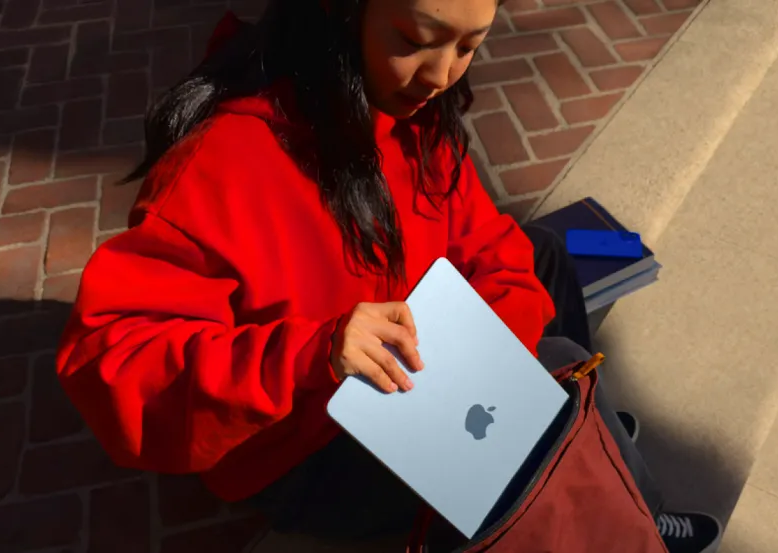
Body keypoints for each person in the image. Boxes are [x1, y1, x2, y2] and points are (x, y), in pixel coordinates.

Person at [54, 1, 721, 552]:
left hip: (405, 374)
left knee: (543, 264)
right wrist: (312, 352)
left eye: (468, 46)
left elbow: (492, 243)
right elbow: (112, 361)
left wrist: (491, 365)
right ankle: (608, 504)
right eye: (414, 40)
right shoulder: (221, 165)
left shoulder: (416, 118)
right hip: (302, 435)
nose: (439, 74)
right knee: (555, 375)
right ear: (342, 12)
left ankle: (581, 455)